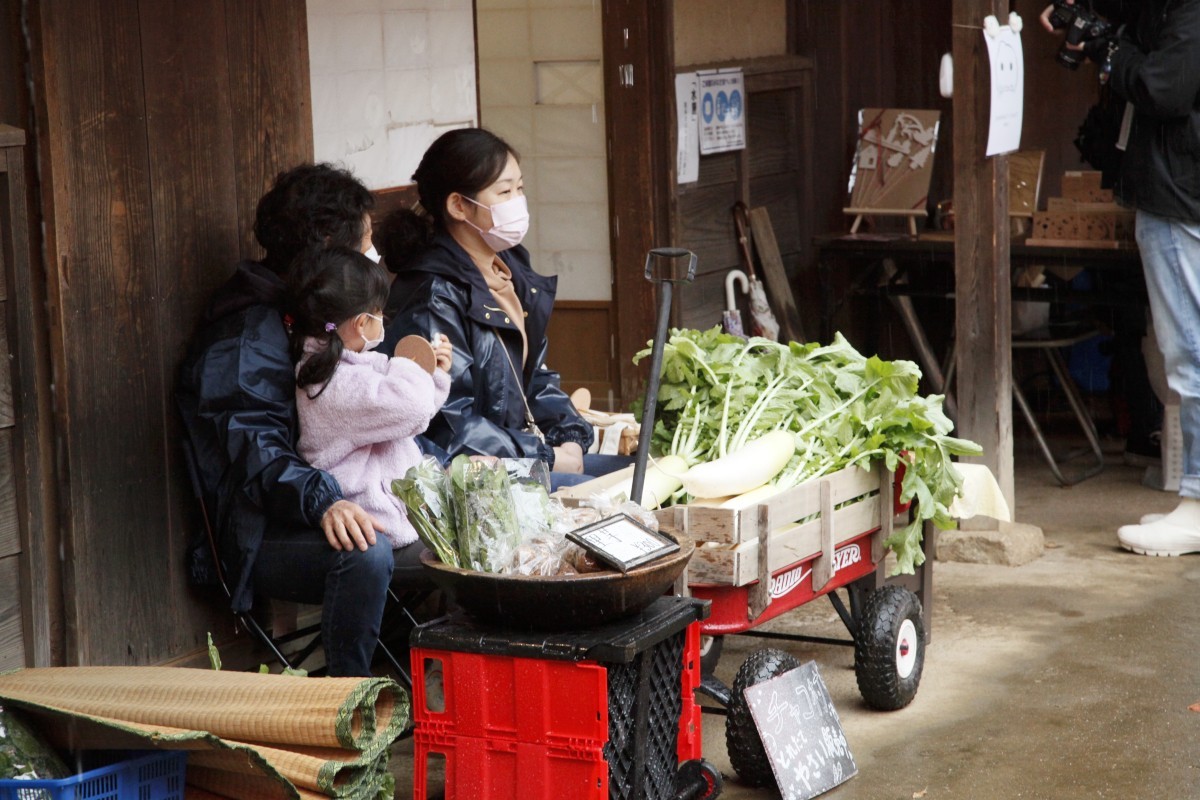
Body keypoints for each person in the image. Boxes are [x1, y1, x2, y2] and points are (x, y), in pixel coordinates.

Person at [177, 163, 422, 677]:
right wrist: (323, 499)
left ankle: (413, 688)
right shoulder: (245, 337)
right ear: (330, 243)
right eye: (367, 242)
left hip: (316, 504)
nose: (371, 257)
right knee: (367, 551)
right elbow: (256, 452)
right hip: (259, 530)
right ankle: (343, 703)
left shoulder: (311, 319)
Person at [376, 127, 629, 490]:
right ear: (458, 205)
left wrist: (570, 435)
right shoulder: (434, 295)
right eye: (505, 191)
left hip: (521, 449)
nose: (518, 201)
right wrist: (547, 455)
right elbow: (448, 421)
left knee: (637, 474)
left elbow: (534, 376)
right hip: (473, 472)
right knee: (607, 495)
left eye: (520, 188)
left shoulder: (510, 269)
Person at [1041, 0, 1200, 555]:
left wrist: (1111, 49)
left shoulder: (1188, 13)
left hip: (1182, 200)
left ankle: (1198, 505)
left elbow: (1165, 87)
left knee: (1190, 353)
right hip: (1182, 194)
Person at [287, 244, 452, 549]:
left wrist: (435, 374)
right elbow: (411, 408)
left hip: (394, 512)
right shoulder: (334, 381)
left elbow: (404, 415)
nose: (382, 321)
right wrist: (409, 365)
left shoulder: (343, 364)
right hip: (377, 522)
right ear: (362, 323)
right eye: (379, 313)